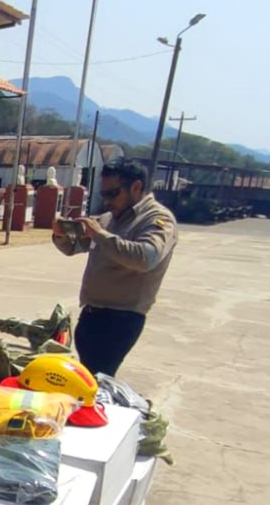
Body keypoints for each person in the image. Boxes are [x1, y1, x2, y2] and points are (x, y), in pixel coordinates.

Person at [52, 160, 178, 377]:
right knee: (87, 379)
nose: (107, 201)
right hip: (91, 314)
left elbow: (145, 258)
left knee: (97, 383)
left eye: (113, 193)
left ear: (136, 187)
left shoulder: (157, 219)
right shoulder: (110, 218)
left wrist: (100, 234)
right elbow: (75, 247)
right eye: (104, 195)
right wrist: (61, 235)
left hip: (120, 320)